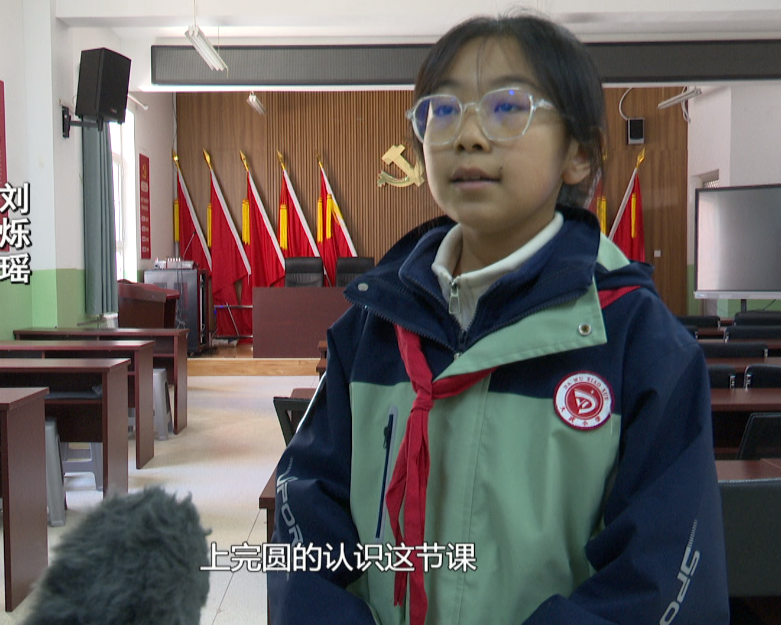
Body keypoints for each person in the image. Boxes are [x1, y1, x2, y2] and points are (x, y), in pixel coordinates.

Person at [269, 13, 729, 625]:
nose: (468, 135)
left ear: (578, 154)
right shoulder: (372, 325)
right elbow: (306, 522)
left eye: (508, 106)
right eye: (442, 109)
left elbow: (659, 575)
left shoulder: (638, 341)